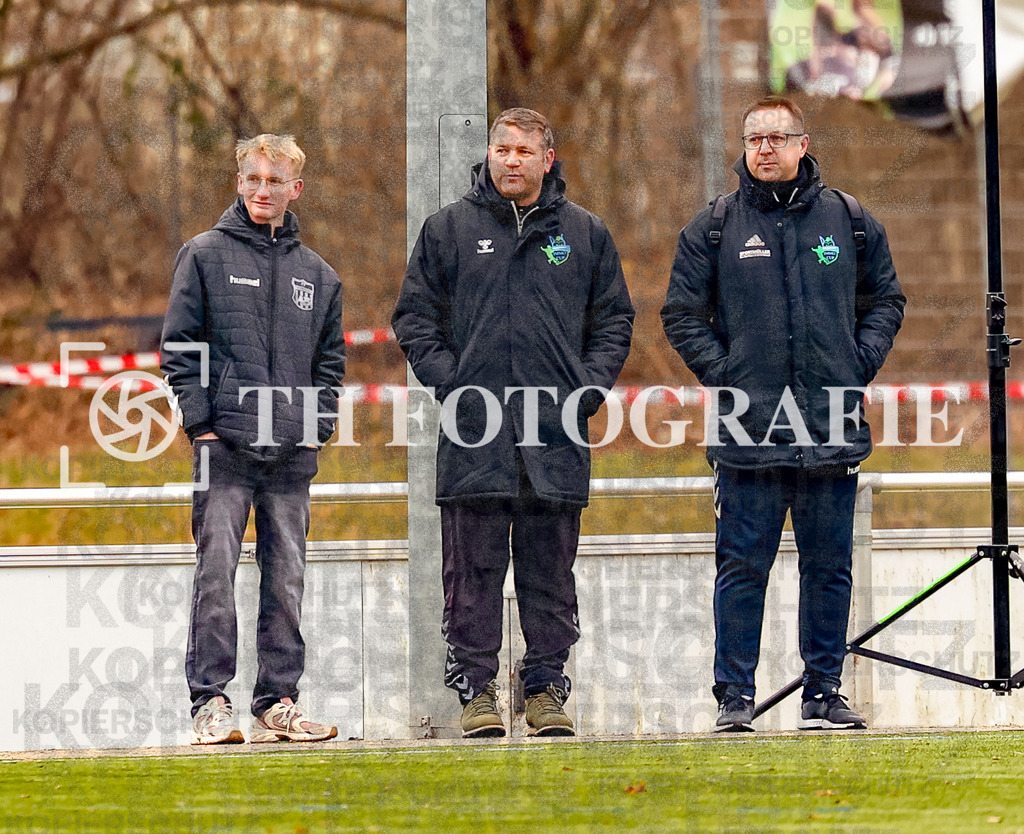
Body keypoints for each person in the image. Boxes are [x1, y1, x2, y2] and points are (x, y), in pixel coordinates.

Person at [662, 96, 905, 732]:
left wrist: (858, 364)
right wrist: (725, 375)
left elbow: (886, 299)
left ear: (802, 143)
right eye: (753, 139)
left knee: (829, 569)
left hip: (830, 427)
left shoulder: (849, 220)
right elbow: (681, 315)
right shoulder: (712, 228)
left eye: (776, 137)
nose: (764, 149)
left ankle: (823, 692)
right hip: (748, 431)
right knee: (742, 569)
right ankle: (734, 698)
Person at [392, 108, 634, 737]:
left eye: (524, 150)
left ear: (546, 159)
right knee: (471, 573)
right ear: (490, 154)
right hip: (475, 437)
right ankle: (476, 693)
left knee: (549, 572)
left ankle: (546, 690)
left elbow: (613, 322)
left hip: (554, 438)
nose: (511, 159)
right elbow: (415, 318)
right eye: (502, 148)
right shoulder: (446, 230)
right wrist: (453, 385)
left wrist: (584, 394)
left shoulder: (585, 234)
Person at [161, 133, 345, 744]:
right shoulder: (203, 254)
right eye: (253, 179)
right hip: (226, 449)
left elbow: (330, 365)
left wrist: (315, 430)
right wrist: (201, 425)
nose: (263, 191)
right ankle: (209, 704)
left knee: (286, 577)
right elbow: (180, 347)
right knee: (215, 573)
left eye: (276, 181)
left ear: (296, 189)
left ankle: (278, 702)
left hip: (291, 455)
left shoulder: (318, 274)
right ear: (239, 183)